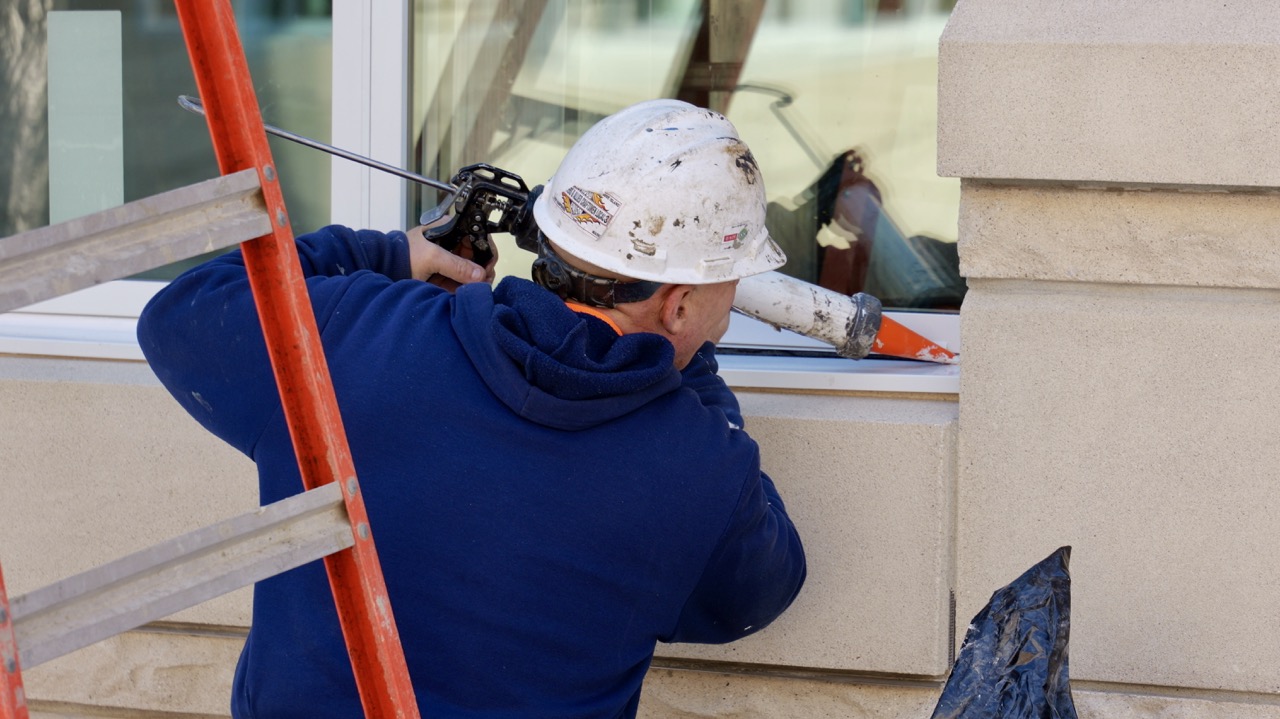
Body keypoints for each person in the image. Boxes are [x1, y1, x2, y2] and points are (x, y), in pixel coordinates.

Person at [137, 99, 805, 719]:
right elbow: (761, 586)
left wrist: (385, 254)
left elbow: (181, 313)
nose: (728, 312)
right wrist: (687, 370)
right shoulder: (698, 470)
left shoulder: (348, 335)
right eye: (729, 284)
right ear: (681, 303)